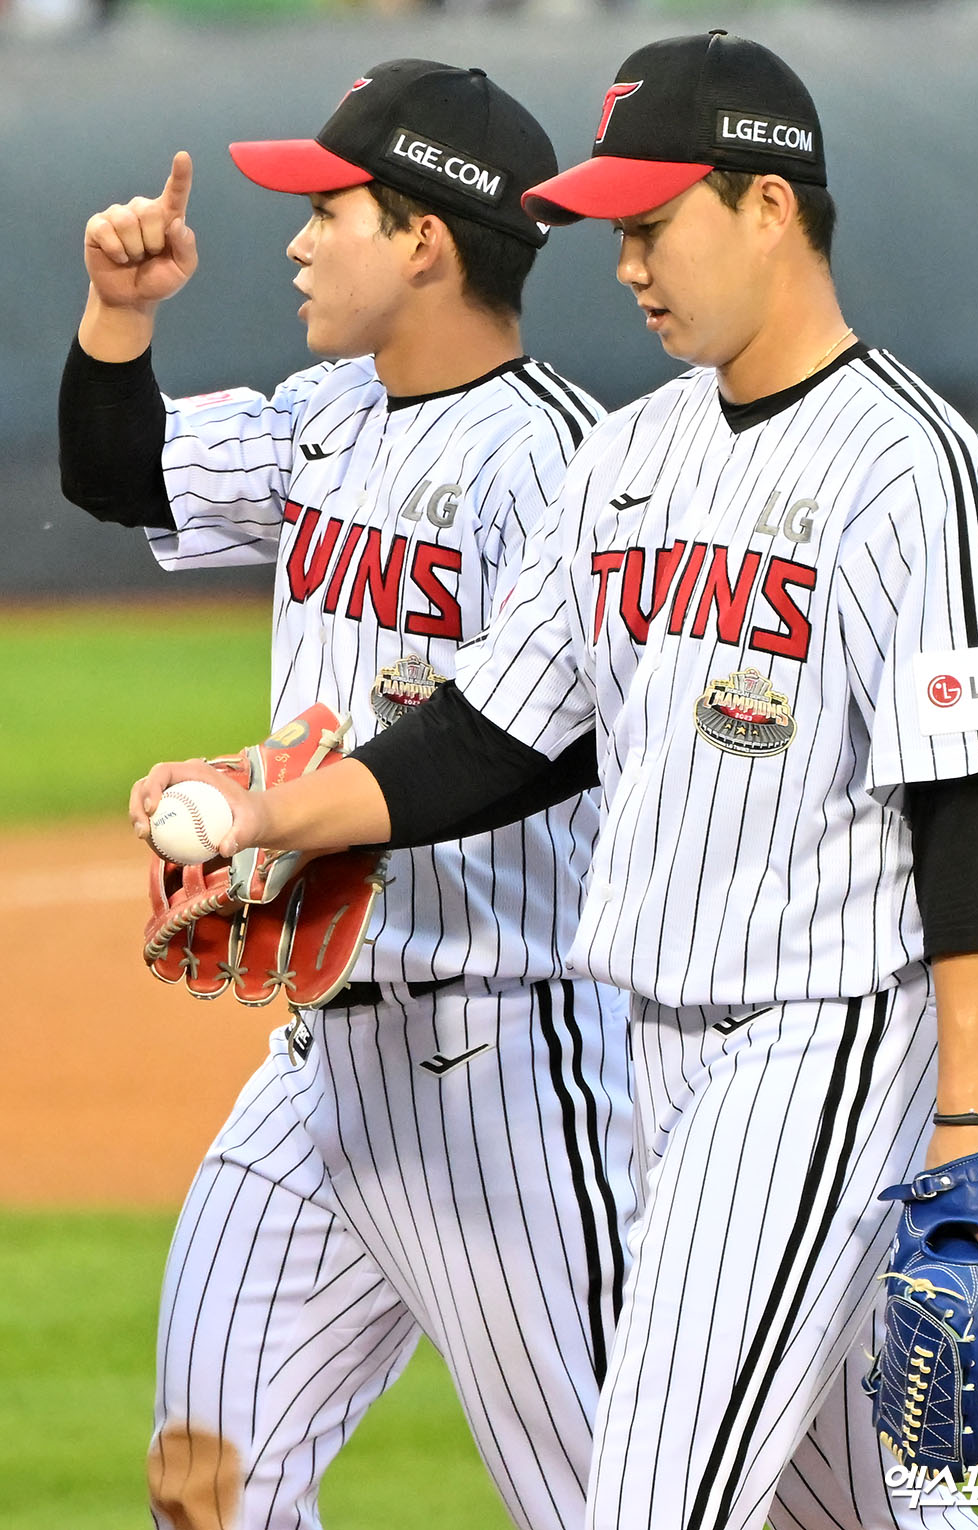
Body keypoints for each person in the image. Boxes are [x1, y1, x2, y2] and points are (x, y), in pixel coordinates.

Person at [128, 32, 978, 1530]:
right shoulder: (630, 460)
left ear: (769, 205)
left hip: (817, 1046)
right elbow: (493, 731)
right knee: (855, 1507)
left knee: (643, 1503)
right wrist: (266, 813)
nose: (625, 263)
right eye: (615, 227)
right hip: (655, 1063)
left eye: (652, 220)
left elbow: (966, 803)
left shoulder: (921, 477)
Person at [60, 59, 640, 1530]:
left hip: (511, 1062)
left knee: (632, 1499)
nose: (299, 238)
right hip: (320, 1064)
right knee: (210, 1481)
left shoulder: (564, 467)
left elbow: (536, 741)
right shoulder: (330, 414)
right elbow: (121, 472)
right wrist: (120, 321)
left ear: (428, 236)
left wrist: (271, 799)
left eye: (331, 208)